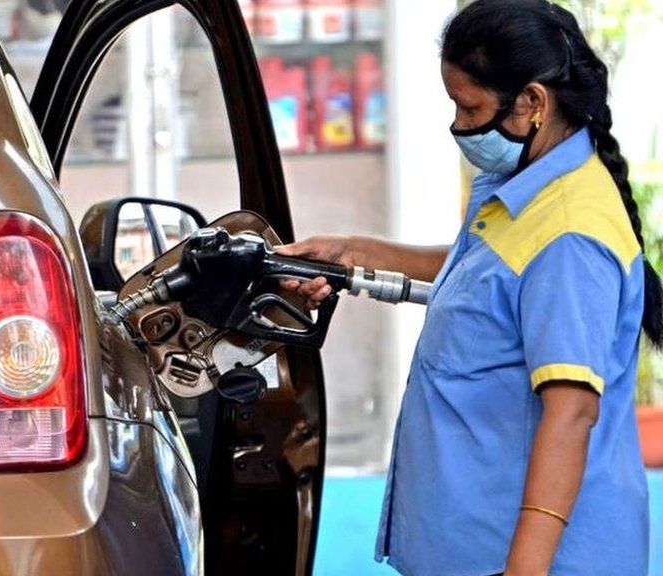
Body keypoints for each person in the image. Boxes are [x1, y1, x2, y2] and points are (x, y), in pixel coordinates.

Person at [277, 1, 657, 574]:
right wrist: (349, 253)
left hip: (526, 557)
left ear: (532, 102)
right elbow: (481, 277)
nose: (459, 125)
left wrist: (523, 570)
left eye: (470, 107)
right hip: (474, 543)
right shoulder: (526, 186)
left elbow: (572, 412)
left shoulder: (570, 237)